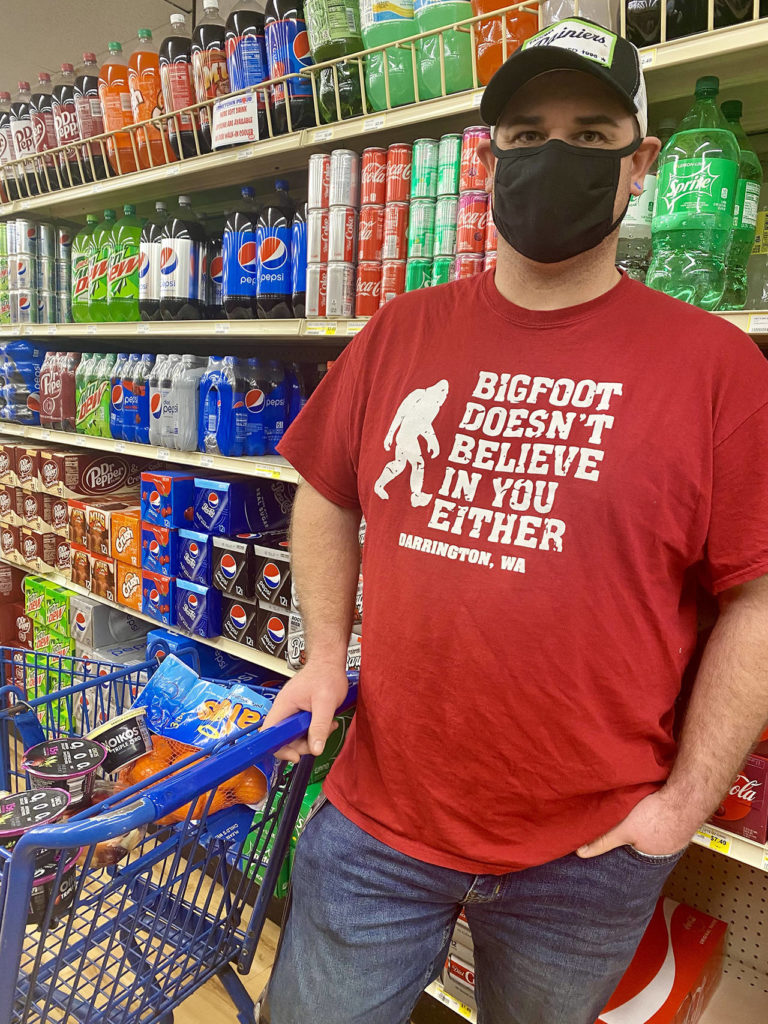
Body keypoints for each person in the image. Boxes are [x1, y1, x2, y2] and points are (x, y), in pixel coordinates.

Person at [260, 17, 768, 1024]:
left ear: (641, 165)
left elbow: (756, 595)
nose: (555, 157)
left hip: (586, 858)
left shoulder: (717, 367)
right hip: (377, 825)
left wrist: (683, 804)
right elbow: (327, 486)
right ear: (489, 156)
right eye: (528, 134)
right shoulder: (404, 329)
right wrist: (322, 656)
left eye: (590, 134)